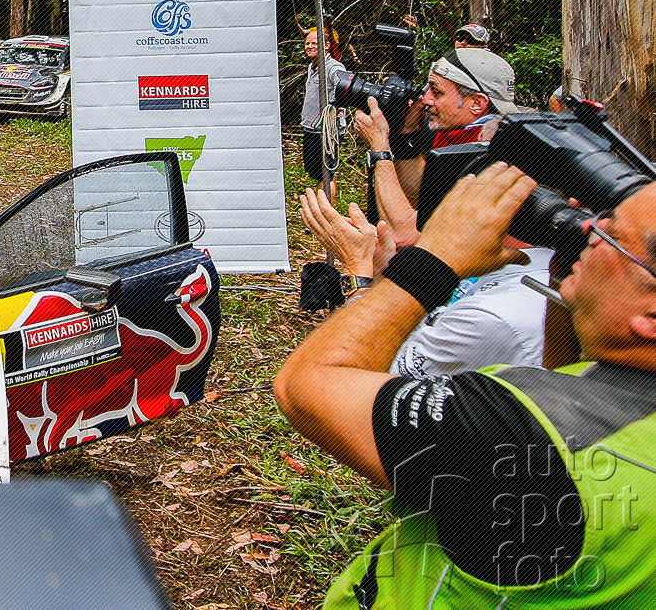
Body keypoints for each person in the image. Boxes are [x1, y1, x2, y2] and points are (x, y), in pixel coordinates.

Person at [276, 163, 656, 607]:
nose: (589, 228)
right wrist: (564, 278)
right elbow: (570, 388)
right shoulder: (617, 415)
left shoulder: (516, 430)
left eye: (609, 238)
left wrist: (431, 261)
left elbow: (306, 387)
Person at [297, 187, 548, 376]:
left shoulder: (492, 318)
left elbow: (360, 375)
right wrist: (382, 272)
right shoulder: (518, 263)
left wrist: (358, 269)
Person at [355, 45, 519, 242]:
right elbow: (422, 196)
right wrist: (407, 132)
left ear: (476, 103)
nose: (426, 99)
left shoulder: (494, 151)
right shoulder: (460, 129)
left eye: (437, 92)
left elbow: (405, 235)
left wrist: (380, 146)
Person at [300, 26, 350, 180]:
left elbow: (344, 84)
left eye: (314, 43)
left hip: (325, 132)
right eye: (307, 43)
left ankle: (326, 197)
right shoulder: (312, 66)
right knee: (316, 174)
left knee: (327, 175)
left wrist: (336, 106)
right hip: (311, 129)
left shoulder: (333, 67)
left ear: (326, 45)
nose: (310, 47)